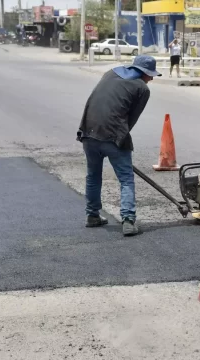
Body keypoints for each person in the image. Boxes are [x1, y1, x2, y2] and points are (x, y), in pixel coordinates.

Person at [76, 55, 161, 236]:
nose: (152, 78)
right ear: (144, 73)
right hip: (113, 136)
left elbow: (94, 100)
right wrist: (120, 140)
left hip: (88, 131)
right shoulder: (141, 88)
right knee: (126, 180)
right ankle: (128, 221)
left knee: (93, 176)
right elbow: (131, 119)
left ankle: (92, 216)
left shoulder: (110, 73)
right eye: (150, 75)